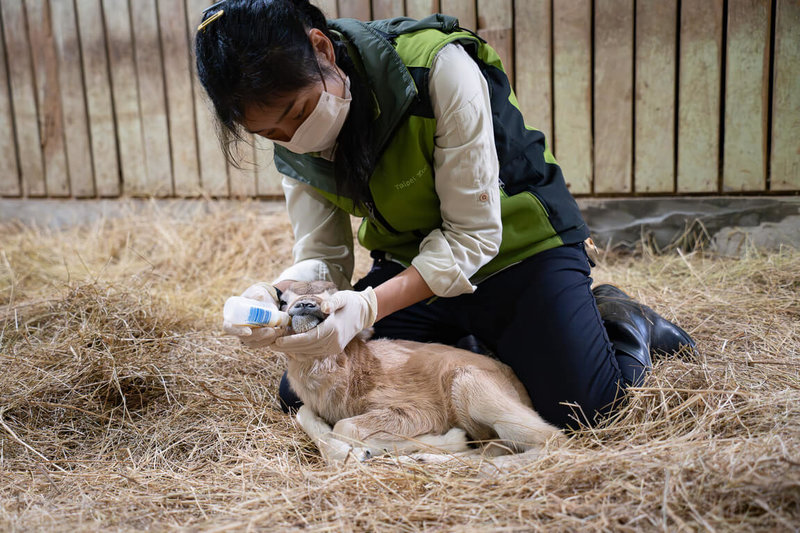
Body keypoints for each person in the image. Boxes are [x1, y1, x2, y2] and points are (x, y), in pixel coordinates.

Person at [195, 0, 696, 429]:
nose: (293, 139)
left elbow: (474, 236)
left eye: (300, 113)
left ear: (322, 50)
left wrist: (366, 309)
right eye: (271, 135)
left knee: (583, 412)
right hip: (415, 265)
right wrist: (280, 295)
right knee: (306, 393)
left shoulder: (437, 66)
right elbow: (324, 256)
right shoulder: (294, 143)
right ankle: (479, 341)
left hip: (516, 252)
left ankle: (623, 320)